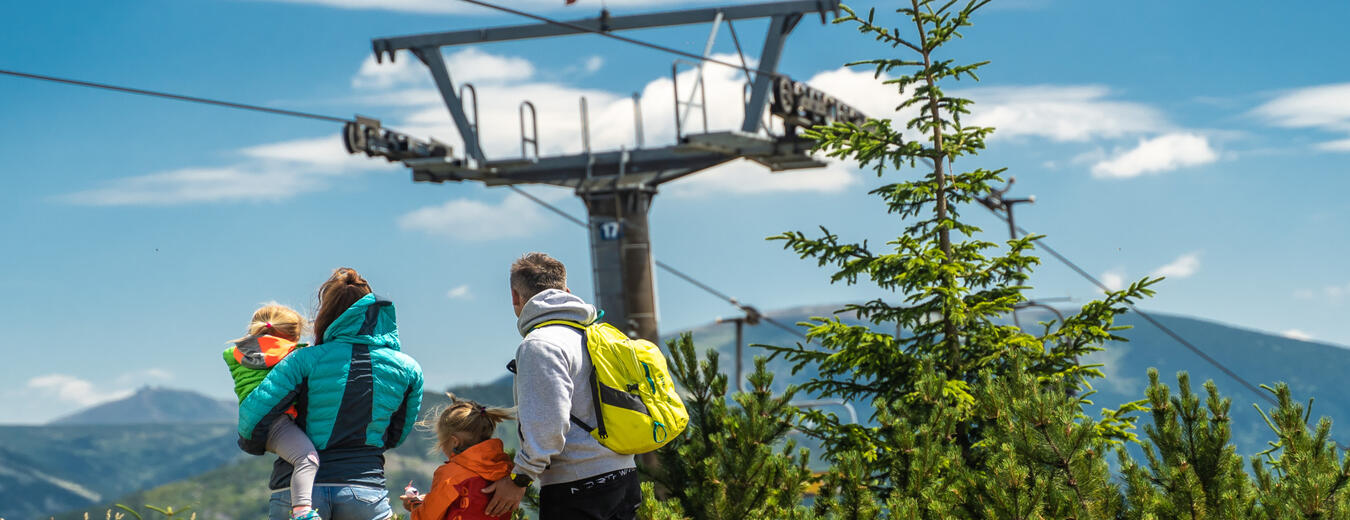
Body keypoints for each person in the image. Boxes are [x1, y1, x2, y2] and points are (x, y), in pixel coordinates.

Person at [238, 268, 424, 520]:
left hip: (298, 496)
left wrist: (259, 443)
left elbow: (252, 420)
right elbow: (396, 435)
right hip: (364, 488)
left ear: (327, 314)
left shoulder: (303, 360)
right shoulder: (409, 369)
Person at [483, 252, 640, 520]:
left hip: (578, 487)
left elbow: (548, 426)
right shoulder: (592, 335)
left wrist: (521, 478)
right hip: (625, 476)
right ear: (566, 291)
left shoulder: (540, 345)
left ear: (515, 297)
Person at [223, 303, 323, 520]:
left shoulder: (235, 355)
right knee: (307, 460)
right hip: (278, 423)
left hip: (253, 424)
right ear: (292, 336)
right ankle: (302, 512)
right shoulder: (294, 354)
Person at [400, 395, 515, 520]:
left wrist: (414, 504)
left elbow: (427, 517)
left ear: (455, 442)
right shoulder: (506, 470)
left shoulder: (451, 475)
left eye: (441, 440)